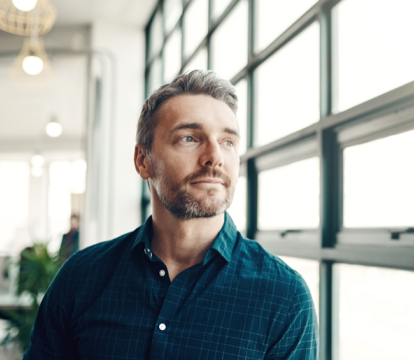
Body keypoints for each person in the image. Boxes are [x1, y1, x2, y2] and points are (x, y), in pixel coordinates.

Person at [23, 70, 318, 359]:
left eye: (228, 142)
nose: (215, 156)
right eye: (189, 138)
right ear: (143, 161)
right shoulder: (81, 278)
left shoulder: (284, 298)